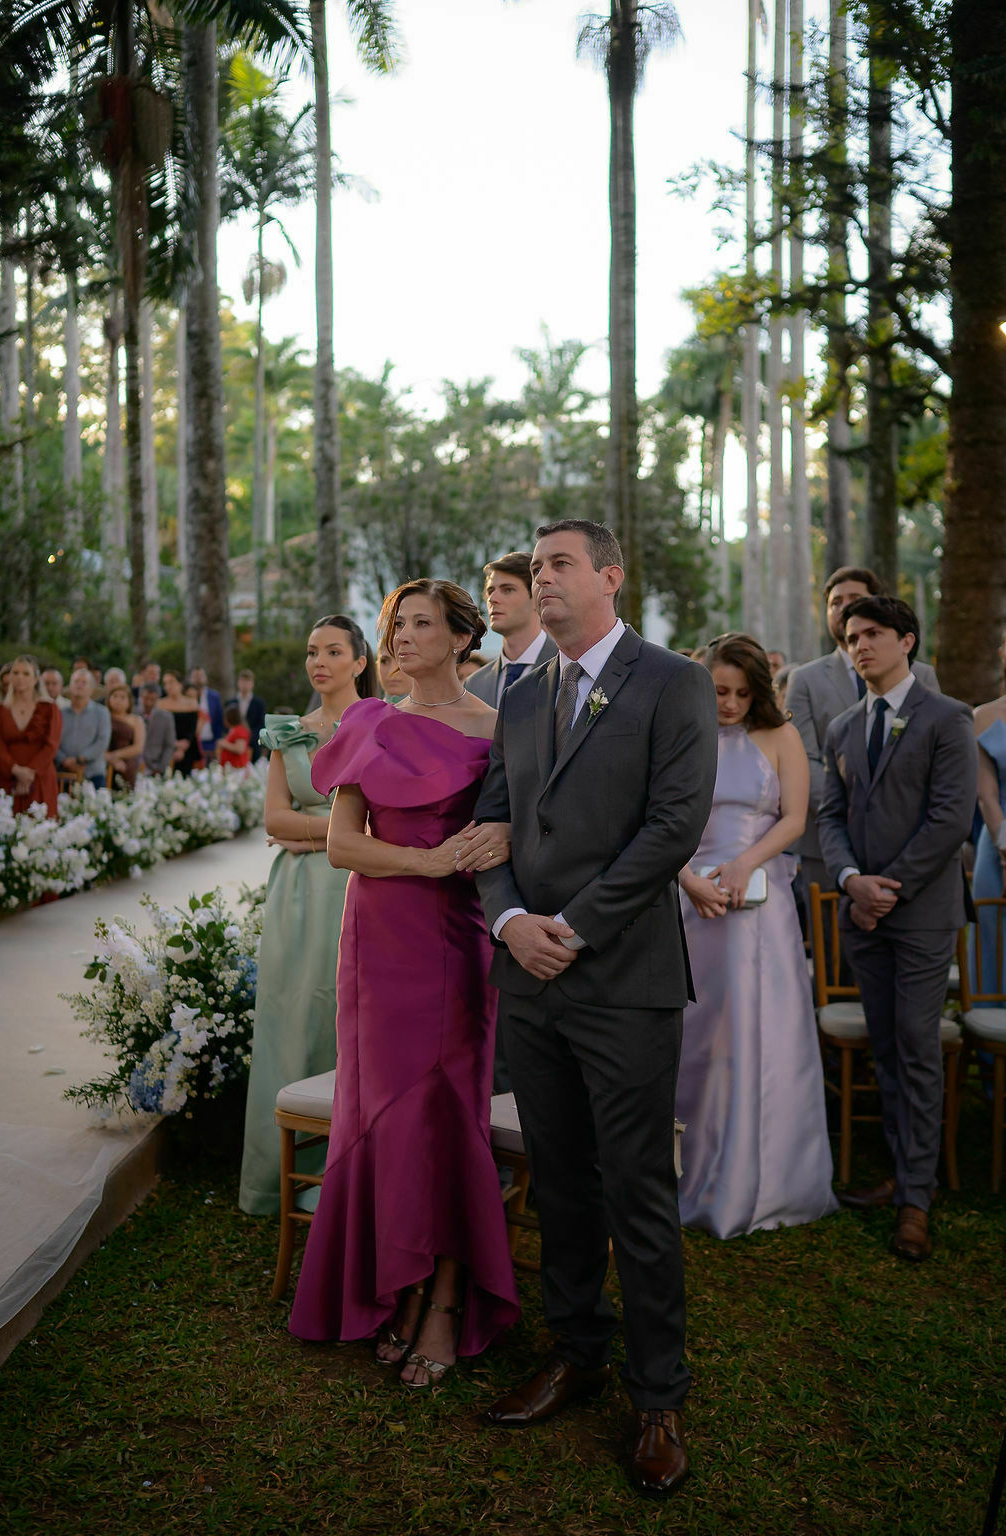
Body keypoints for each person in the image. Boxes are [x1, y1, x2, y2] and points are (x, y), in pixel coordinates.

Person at [472, 519, 716, 1500]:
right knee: (561, 1185)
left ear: (612, 576)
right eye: (535, 568)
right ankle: (575, 1353)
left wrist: (568, 926)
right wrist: (508, 924)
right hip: (530, 980)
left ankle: (658, 1396)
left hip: (623, 981)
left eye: (559, 564)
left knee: (635, 1192)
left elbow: (673, 827)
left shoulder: (672, 681)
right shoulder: (523, 689)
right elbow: (493, 820)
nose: (542, 578)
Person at [289, 580, 520, 1390]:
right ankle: (400, 1280)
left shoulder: (500, 729)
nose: (404, 637)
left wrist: (482, 852)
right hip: (379, 939)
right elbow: (342, 845)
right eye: (397, 624)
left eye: (423, 623)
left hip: (458, 939)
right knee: (383, 1111)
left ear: (462, 638)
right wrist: (425, 862)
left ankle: (446, 1296)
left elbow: (514, 833)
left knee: (448, 1112)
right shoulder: (370, 721)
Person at [817, 596, 976, 1262]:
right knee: (884, 1047)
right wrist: (851, 878)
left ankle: (917, 1199)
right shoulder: (843, 727)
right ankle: (903, 1171)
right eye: (852, 636)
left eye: (874, 634)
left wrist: (888, 888)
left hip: (920, 915)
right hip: (862, 914)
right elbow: (830, 816)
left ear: (907, 641)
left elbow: (951, 817)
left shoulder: (948, 717)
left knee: (915, 1044)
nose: (860, 645)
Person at [676, 633, 838, 1238]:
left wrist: (745, 864)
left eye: (743, 693)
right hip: (689, 894)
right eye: (721, 691)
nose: (731, 704)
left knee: (749, 1029)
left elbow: (794, 819)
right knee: (693, 1031)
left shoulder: (780, 736)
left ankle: (757, 1177)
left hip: (756, 899)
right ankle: (680, 1167)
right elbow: (661, 818)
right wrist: (688, 879)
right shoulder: (682, 735)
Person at [239, 617, 379, 1216]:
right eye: (311, 652)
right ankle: (276, 1181)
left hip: (361, 886)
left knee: (348, 1020)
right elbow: (273, 819)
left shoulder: (383, 724)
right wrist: (338, 831)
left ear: (359, 662)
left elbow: (382, 821)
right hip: (296, 896)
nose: (318, 662)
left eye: (333, 651)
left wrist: (310, 835)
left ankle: (347, 1178)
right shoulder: (288, 733)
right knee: (291, 1018)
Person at [786, 566, 939, 897]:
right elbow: (803, 760)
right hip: (827, 844)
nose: (843, 607)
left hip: (909, 841)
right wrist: (852, 813)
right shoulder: (805, 679)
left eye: (854, 598)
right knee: (832, 931)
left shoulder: (922, 676)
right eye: (835, 602)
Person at [466, 550, 557, 708]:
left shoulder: (568, 668)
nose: (493, 599)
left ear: (537, 596)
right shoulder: (474, 684)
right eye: (490, 591)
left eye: (507, 590)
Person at [970, 632, 1006, 995]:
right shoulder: (983, 716)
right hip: (996, 843)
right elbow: (987, 795)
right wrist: (1005, 850)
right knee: (993, 937)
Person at [0, 655, 62, 817]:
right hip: (8, 778)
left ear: (36, 679)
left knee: (40, 825)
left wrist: (29, 773)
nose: (20, 677)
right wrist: (16, 770)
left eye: (26, 673)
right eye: (15, 673)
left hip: (40, 778)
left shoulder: (50, 708)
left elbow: (51, 745)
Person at [56, 668, 111, 791]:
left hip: (93, 774)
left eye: (84, 682)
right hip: (63, 773)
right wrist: (64, 760)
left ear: (91, 689)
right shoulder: (60, 714)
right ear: (70, 687)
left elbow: (102, 741)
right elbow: (53, 741)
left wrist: (80, 759)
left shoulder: (101, 712)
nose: (79, 685)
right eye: (76, 681)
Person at [157, 670, 201, 776]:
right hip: (166, 747)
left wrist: (183, 746)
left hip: (187, 748)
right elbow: (160, 730)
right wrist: (173, 745)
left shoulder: (191, 703)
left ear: (180, 684)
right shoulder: (160, 704)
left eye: (171, 682)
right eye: (165, 683)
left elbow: (192, 728)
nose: (168, 686)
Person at [104, 684, 146, 788]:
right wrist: (109, 758)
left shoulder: (136, 720)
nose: (118, 700)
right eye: (115, 696)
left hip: (127, 759)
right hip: (103, 757)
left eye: (122, 697)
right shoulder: (103, 717)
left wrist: (115, 755)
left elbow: (138, 747)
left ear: (129, 701)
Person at [226, 669, 266, 762]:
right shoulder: (230, 702)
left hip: (253, 745)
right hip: (233, 746)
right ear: (238, 683)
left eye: (247, 681)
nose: (245, 684)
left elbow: (260, 724)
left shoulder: (259, 703)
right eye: (242, 681)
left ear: (252, 684)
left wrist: (248, 739)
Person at [138, 684, 176, 776]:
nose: (149, 703)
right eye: (146, 698)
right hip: (133, 765)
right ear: (140, 697)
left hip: (155, 766)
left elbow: (169, 745)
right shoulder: (132, 712)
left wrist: (161, 768)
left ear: (158, 699)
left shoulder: (166, 717)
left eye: (153, 700)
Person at [189, 664, 224, 760]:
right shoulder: (187, 697)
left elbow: (219, 719)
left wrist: (217, 740)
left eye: (201, 675)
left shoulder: (214, 696)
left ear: (205, 677)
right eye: (195, 676)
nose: (198, 679)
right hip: (193, 742)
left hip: (211, 741)